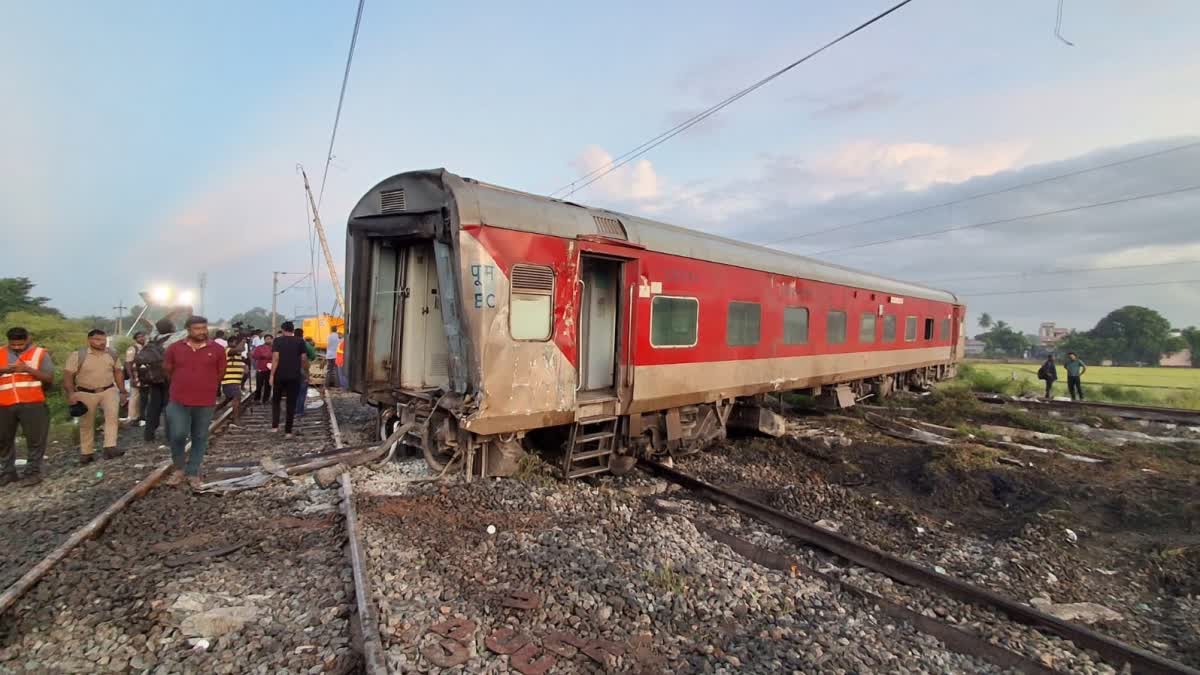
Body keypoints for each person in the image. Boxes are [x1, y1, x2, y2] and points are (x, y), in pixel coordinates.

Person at [163, 316, 226, 490]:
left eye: (204, 328)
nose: (202, 332)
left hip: (205, 401)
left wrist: (206, 385)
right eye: (197, 328)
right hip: (178, 399)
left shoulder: (217, 349)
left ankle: (192, 471)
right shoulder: (174, 349)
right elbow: (168, 370)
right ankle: (179, 467)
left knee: (200, 436)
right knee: (177, 434)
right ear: (188, 330)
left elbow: (220, 373)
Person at [63, 329, 128, 463]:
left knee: (112, 418)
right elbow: (68, 375)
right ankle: (86, 452)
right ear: (89, 340)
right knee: (86, 423)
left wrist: (122, 391)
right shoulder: (78, 355)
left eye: (103, 340)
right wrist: (71, 394)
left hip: (108, 390)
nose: (102, 343)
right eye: (97, 340)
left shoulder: (112, 354)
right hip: (85, 392)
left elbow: (118, 372)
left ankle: (110, 447)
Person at [0, 327, 54, 487]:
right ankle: (8, 472)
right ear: (8, 341)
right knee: (3, 440)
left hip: (32, 403)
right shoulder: (1, 353)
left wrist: (28, 369)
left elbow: (49, 378)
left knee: (35, 440)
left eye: (20, 344)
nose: (17, 347)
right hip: (4, 403)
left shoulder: (40, 353)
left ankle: (33, 472)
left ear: (27, 339)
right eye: (13, 344)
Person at [139, 318, 177, 444]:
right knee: (170, 406)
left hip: (154, 377)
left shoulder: (152, 339)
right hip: (169, 377)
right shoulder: (174, 339)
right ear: (171, 328)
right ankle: (170, 437)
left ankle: (148, 435)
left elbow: (155, 327)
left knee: (153, 406)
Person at [271, 321, 308, 438]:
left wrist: (271, 375)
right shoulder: (300, 341)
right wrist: (304, 371)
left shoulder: (277, 341)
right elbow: (303, 358)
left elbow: (275, 358)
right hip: (294, 376)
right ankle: (288, 431)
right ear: (293, 330)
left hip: (279, 375)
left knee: (276, 401)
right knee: (291, 403)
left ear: (282, 330)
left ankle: (275, 426)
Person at [221, 338, 248, 426]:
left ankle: (211, 413)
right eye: (236, 343)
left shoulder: (237, 354)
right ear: (230, 343)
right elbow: (240, 348)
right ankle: (236, 419)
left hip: (235, 381)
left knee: (227, 400)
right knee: (237, 397)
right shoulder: (227, 350)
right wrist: (243, 340)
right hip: (229, 380)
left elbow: (241, 350)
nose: (237, 345)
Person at [124, 331, 149, 424]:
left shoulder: (146, 348)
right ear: (135, 339)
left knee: (142, 397)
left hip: (145, 376)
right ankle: (132, 416)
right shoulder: (132, 348)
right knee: (135, 396)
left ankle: (140, 416)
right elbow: (128, 363)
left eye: (143, 336)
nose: (142, 338)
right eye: (139, 337)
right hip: (136, 376)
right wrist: (131, 377)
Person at [293, 328, 317, 418]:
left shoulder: (289, 343)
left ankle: (293, 410)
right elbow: (313, 356)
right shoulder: (306, 344)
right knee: (302, 392)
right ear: (302, 334)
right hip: (302, 370)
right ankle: (299, 411)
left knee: (293, 392)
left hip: (290, 370)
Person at [252, 335, 274, 402]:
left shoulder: (274, 348)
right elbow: (255, 356)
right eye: (267, 339)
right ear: (264, 340)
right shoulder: (259, 348)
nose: (268, 340)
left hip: (270, 369)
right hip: (261, 368)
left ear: (272, 339)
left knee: (268, 385)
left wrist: (267, 356)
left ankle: (266, 399)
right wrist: (263, 356)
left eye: (270, 339)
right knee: (259, 385)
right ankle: (257, 399)